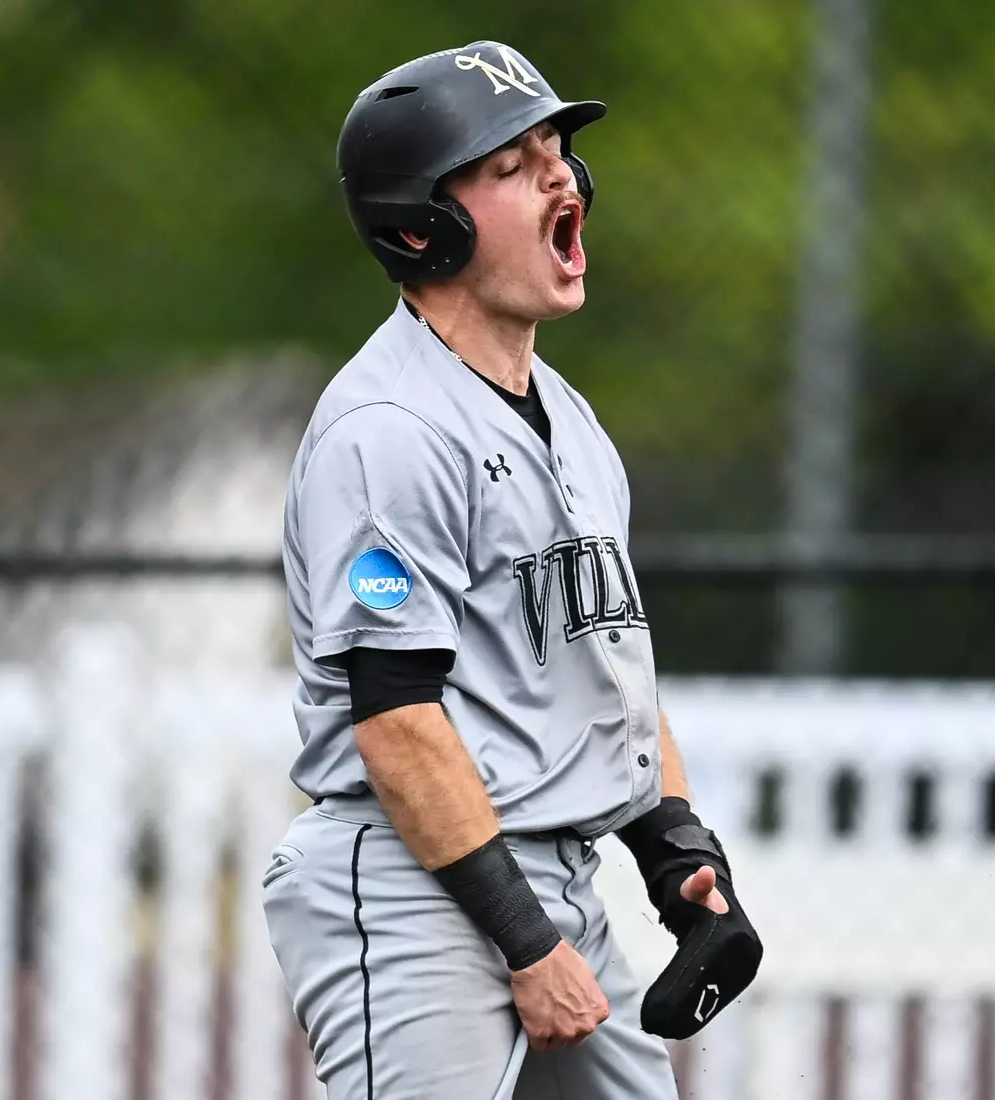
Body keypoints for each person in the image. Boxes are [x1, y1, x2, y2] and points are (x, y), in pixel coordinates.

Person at [263, 41, 761, 1100]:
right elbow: (395, 719)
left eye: (557, 151)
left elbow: (600, 677)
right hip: (411, 887)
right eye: (508, 162)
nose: (560, 176)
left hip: (544, 878)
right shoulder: (389, 430)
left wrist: (673, 855)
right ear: (418, 226)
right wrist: (525, 942)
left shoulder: (567, 420)